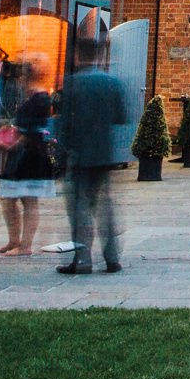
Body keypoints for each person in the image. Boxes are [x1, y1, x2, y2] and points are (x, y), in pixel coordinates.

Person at [59, 30, 132, 275]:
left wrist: (63, 151)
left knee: (80, 208)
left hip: (80, 153)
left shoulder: (73, 83)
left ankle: (82, 259)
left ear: (79, 54)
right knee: (105, 206)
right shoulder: (111, 83)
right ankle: (112, 257)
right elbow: (122, 117)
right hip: (103, 153)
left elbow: (63, 124)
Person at [0, 57, 56, 257]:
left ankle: (25, 245)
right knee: (9, 199)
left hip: (28, 153)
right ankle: (14, 241)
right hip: (21, 151)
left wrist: (11, 144)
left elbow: (32, 130)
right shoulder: (29, 94)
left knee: (28, 199)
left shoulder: (41, 97)